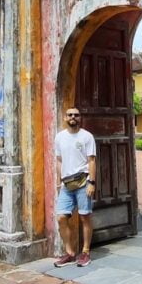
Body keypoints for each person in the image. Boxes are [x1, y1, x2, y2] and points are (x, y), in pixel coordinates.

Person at [53, 106, 97, 267]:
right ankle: (70, 252)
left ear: (80, 118)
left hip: (83, 181)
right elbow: (59, 160)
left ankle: (85, 252)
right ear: (65, 118)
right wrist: (60, 179)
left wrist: (91, 182)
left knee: (85, 216)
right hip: (66, 184)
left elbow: (92, 160)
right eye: (70, 115)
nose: (73, 117)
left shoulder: (87, 137)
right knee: (61, 218)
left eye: (76, 115)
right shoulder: (59, 137)